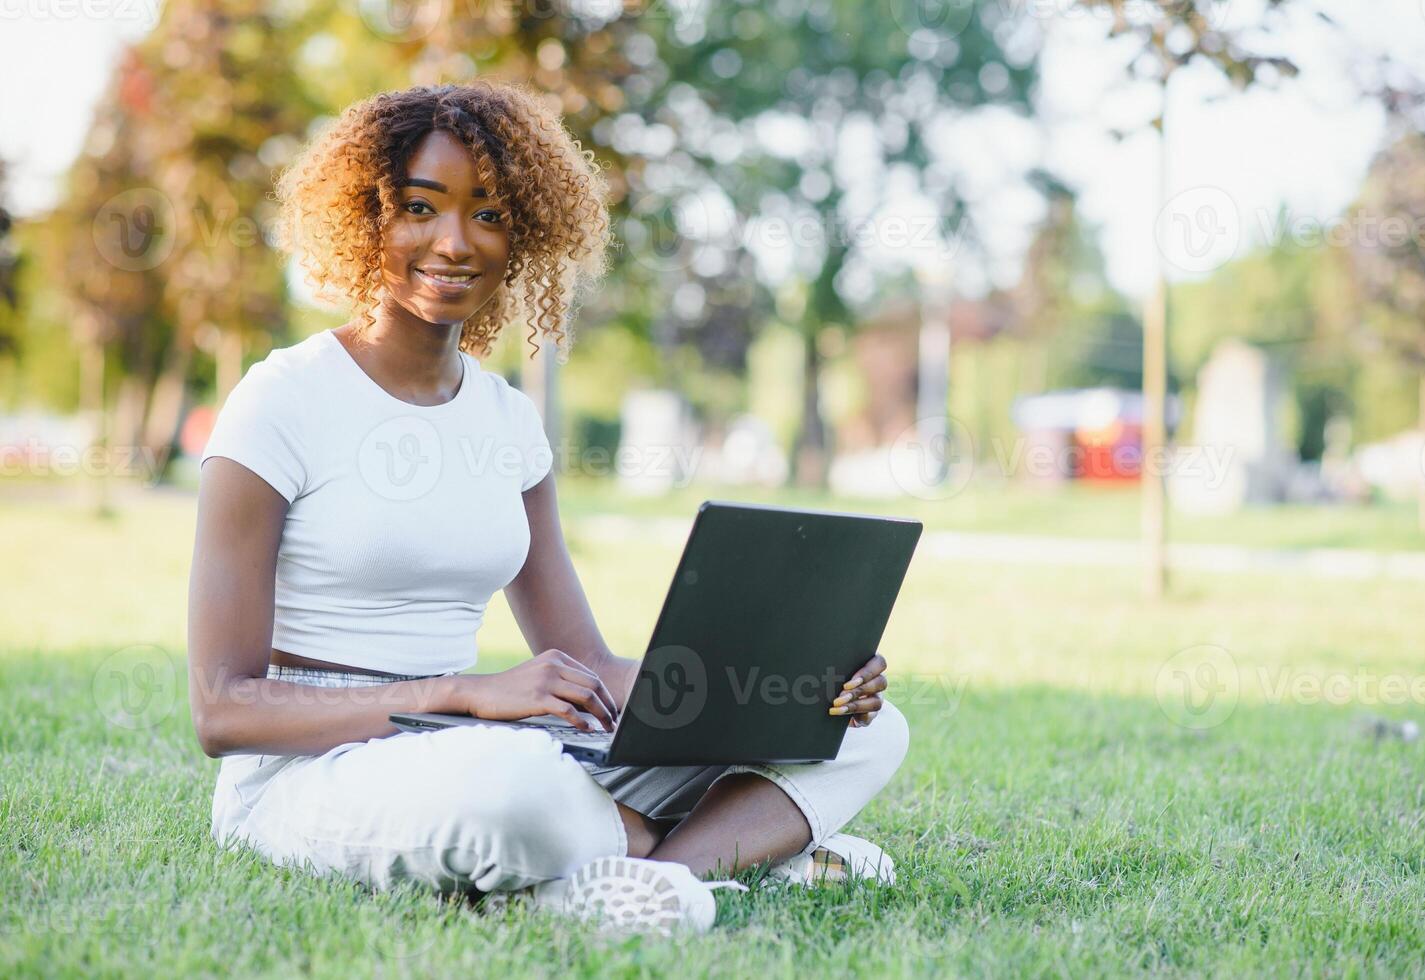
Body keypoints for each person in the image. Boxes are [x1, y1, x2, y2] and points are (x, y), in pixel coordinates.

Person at [187, 79, 909, 935]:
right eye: (420, 207)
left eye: (489, 214)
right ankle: (740, 850)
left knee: (867, 732)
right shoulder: (282, 399)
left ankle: (647, 877)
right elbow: (223, 709)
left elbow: (589, 669)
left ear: (524, 234)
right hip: (311, 777)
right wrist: (465, 694)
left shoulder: (506, 421)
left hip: (476, 747)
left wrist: (791, 682)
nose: (453, 242)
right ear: (367, 215)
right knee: (520, 788)